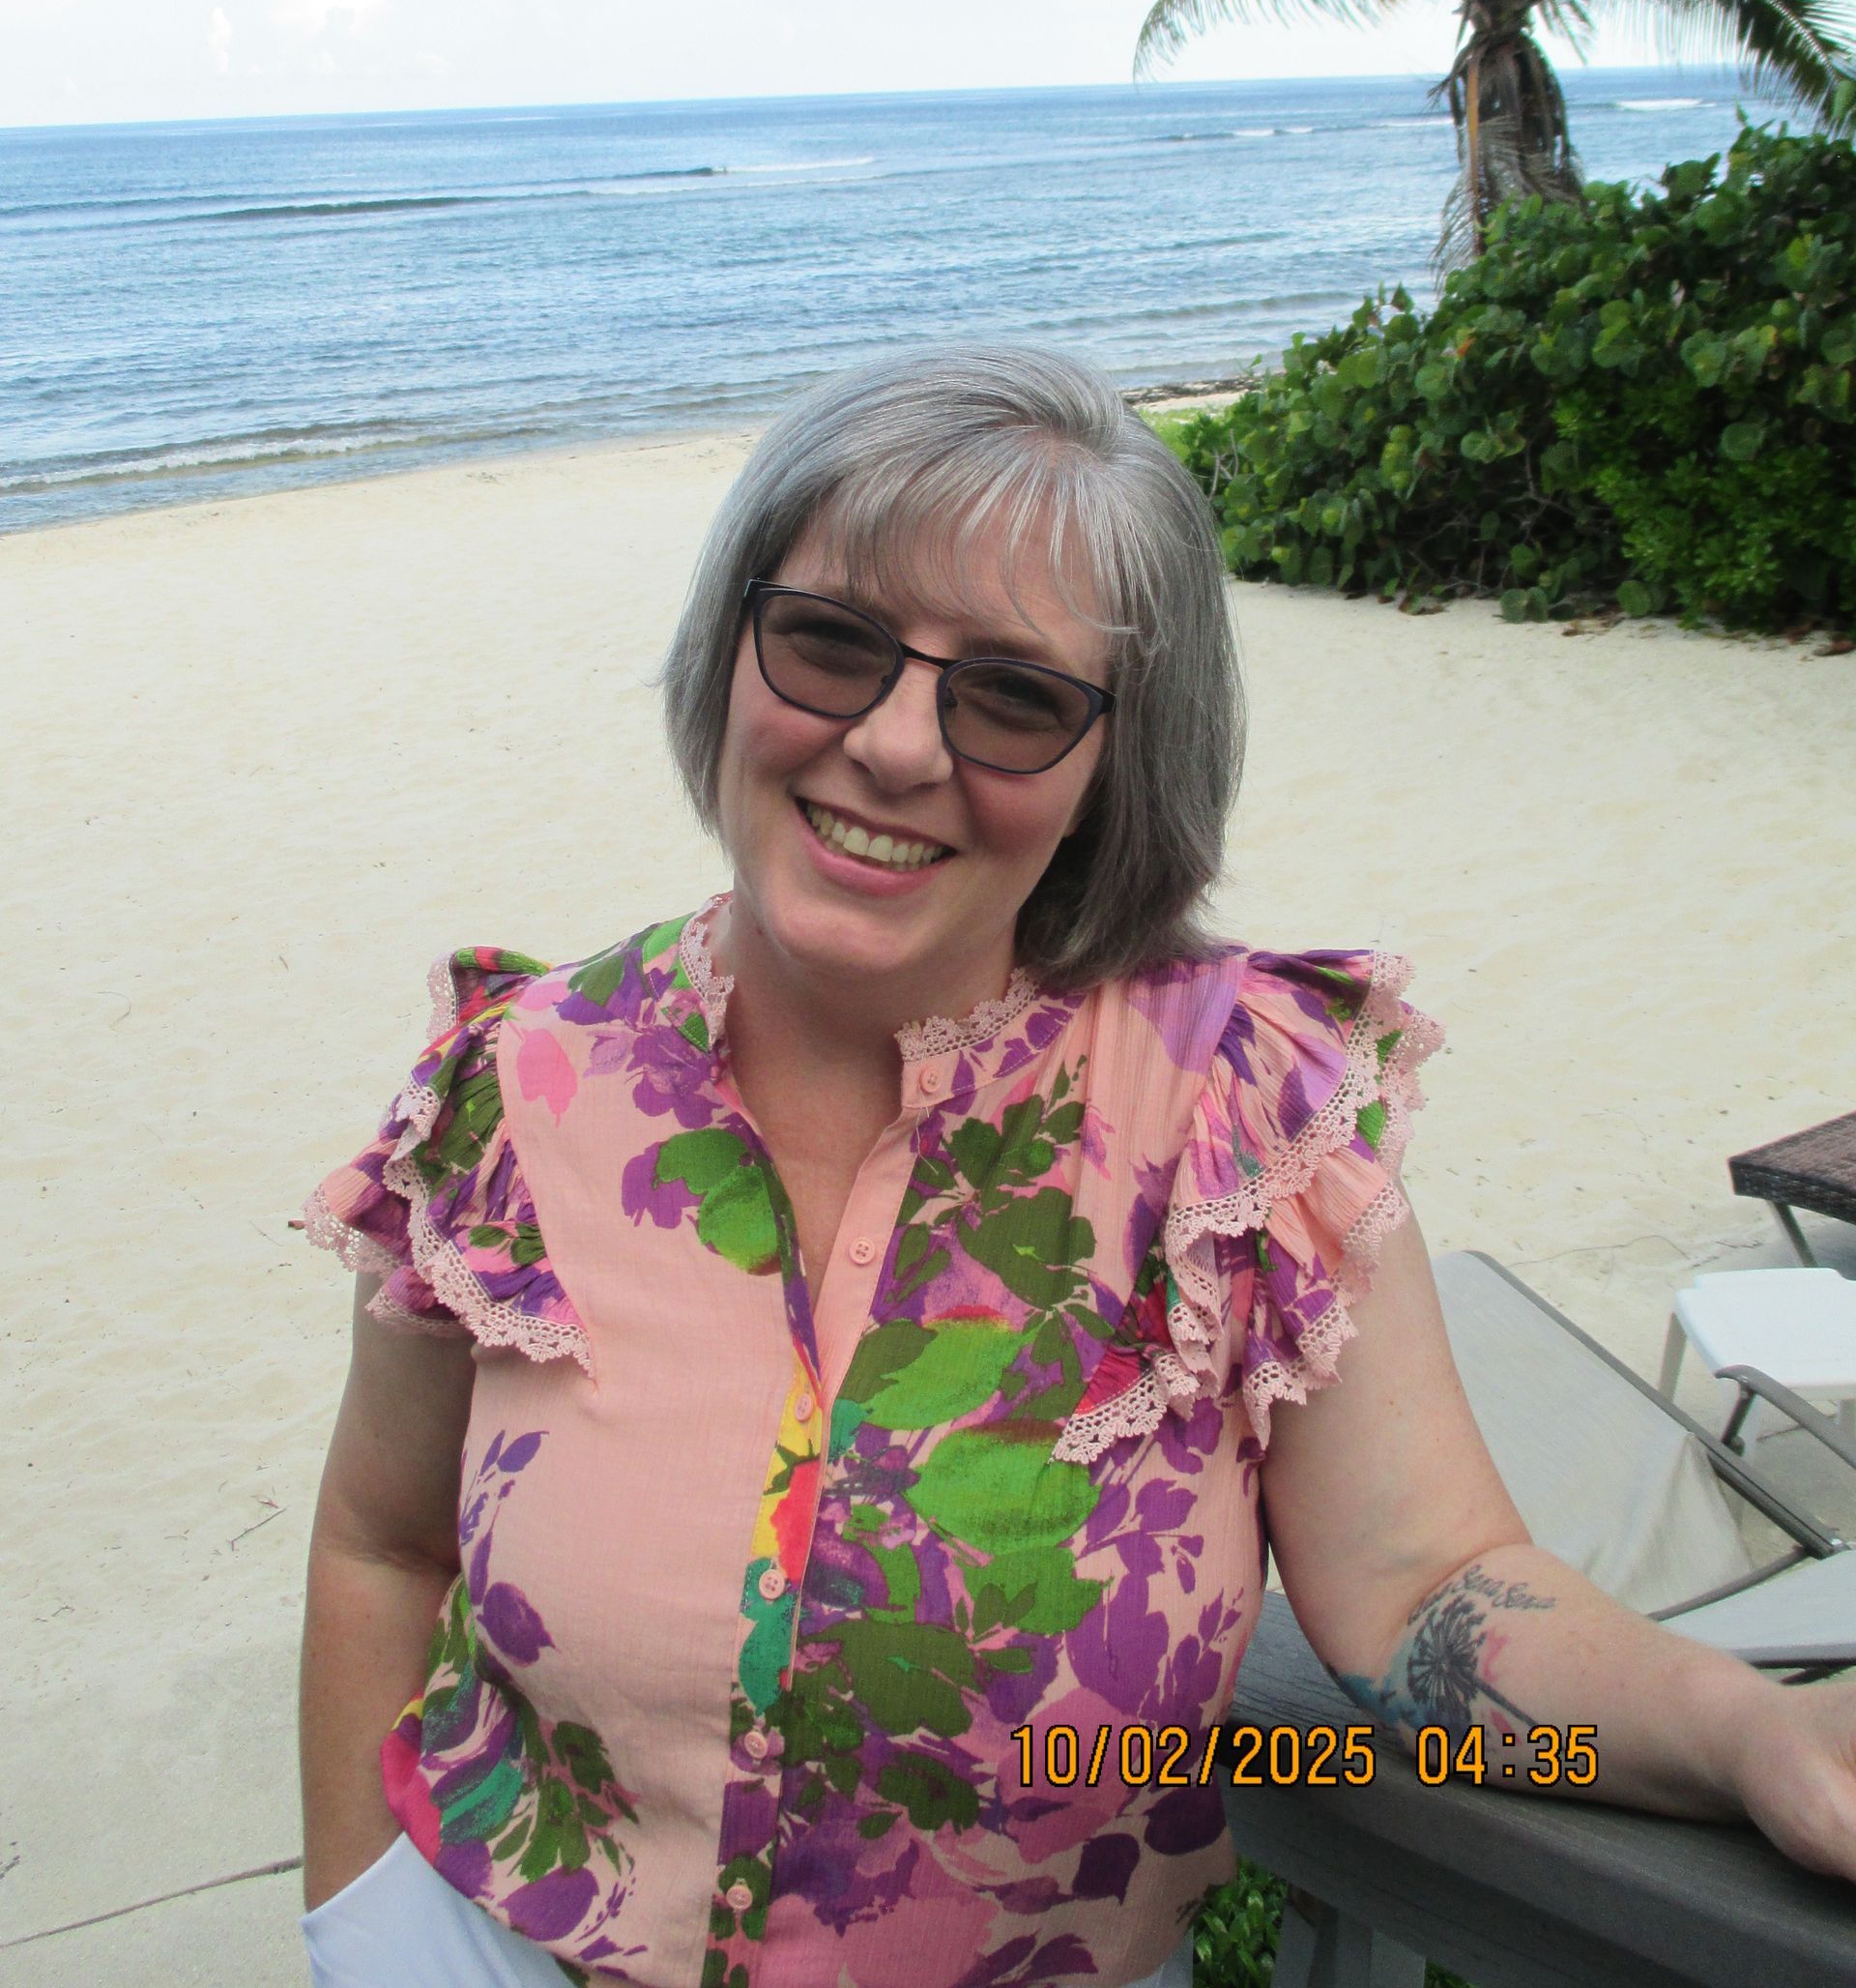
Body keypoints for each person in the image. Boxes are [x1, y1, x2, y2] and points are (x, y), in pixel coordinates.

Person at [297, 345, 1856, 1988]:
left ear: (1115, 765)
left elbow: (1425, 1587)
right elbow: (381, 1544)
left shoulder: (1236, 1117)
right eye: (830, 643)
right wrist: (363, 1926)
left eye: (1015, 696)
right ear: (733, 652)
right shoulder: (514, 1089)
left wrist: (1748, 1734)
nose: (896, 745)